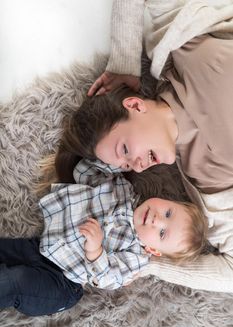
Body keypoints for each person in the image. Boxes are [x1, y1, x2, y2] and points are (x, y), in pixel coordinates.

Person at [52, 1, 233, 292]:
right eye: (125, 166)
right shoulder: (210, 184)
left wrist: (124, 63)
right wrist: (149, 264)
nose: (137, 165)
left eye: (125, 150)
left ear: (135, 105)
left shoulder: (184, 47)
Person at [39, 158, 207, 289]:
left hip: (60, 273)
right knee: (13, 252)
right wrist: (117, 161)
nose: (158, 219)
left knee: (20, 283)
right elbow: (87, 173)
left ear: (153, 250)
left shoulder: (135, 256)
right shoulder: (122, 189)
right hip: (55, 218)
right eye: (168, 213)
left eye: (162, 233)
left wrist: (95, 250)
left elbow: (109, 278)